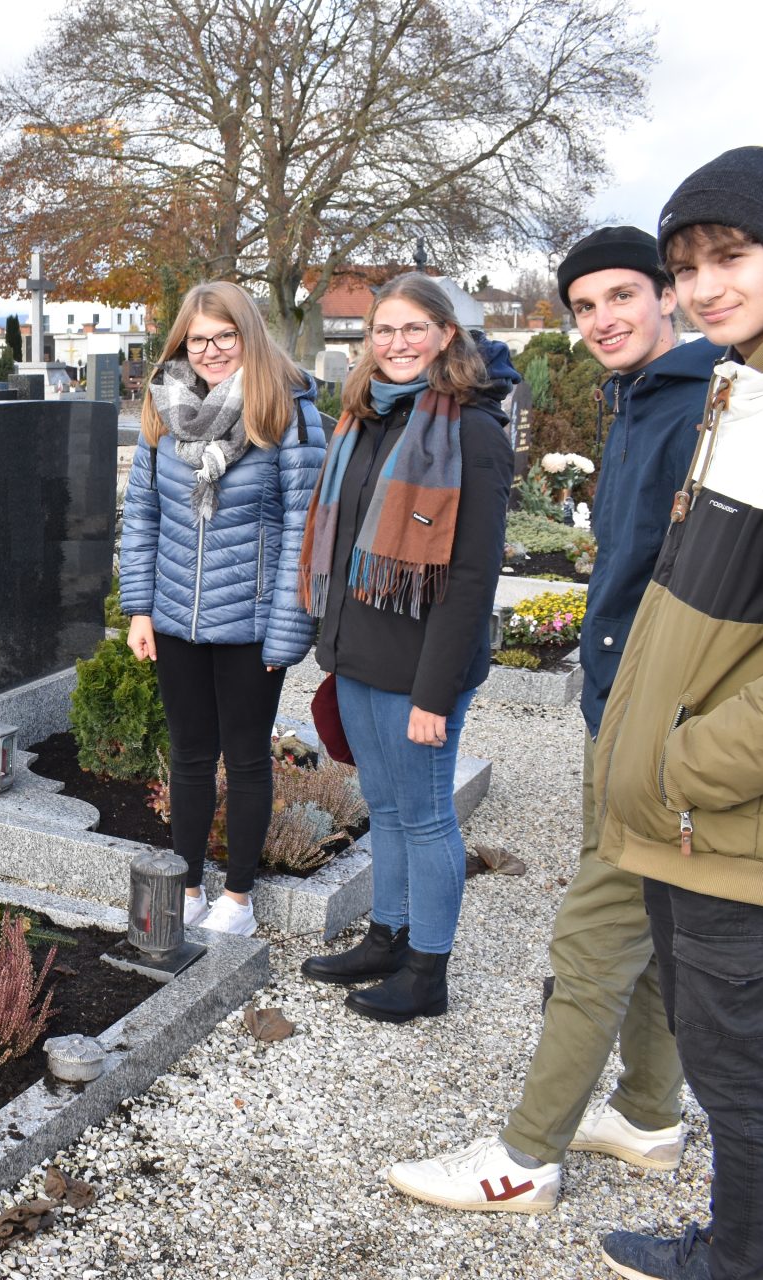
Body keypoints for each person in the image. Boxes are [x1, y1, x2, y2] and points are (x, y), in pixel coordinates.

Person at [386, 227, 726, 1212]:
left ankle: (526, 1156)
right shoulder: (644, 398)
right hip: (621, 699)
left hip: (657, 722)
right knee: (655, 922)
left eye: (623, 295)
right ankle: (651, 1110)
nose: (603, 319)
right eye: (584, 306)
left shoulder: (698, 406)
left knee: (595, 931)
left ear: (668, 295)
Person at [589, 147, 763, 1280]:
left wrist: (683, 765)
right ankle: (735, 1242)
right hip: (696, 818)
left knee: (741, 1073)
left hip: (733, 824)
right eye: (685, 263)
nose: (703, 286)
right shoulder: (758, 373)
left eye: (730, 255)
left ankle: (743, 1262)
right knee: (719, 1056)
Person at [295, 272, 514, 1021]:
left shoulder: (473, 432)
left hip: (423, 667)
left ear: (446, 335)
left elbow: (473, 577)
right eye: (382, 331)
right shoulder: (364, 420)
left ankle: (428, 971)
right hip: (358, 655)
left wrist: (435, 693)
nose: (395, 344)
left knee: (425, 816)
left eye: (412, 330)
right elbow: (341, 537)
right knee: (383, 807)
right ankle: (386, 936)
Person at [118, 280, 326, 935]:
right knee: (187, 755)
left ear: (248, 336)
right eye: (198, 339)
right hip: (176, 615)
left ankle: (237, 898)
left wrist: (286, 633)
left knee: (244, 759)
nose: (210, 351)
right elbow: (143, 512)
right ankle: (186, 889)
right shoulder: (163, 409)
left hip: (253, 621)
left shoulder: (284, 411)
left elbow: (305, 524)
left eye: (224, 337)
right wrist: (139, 609)